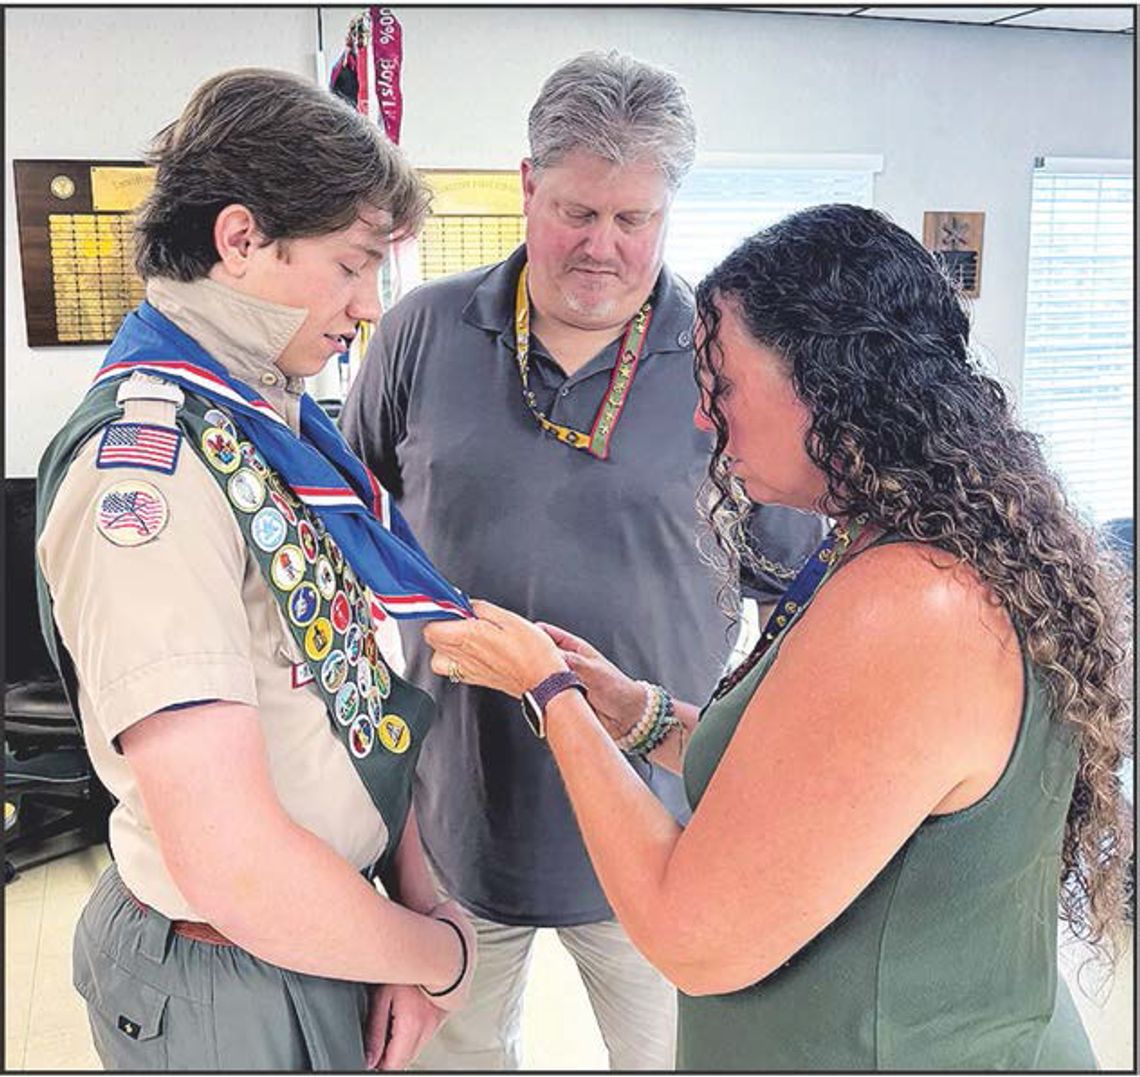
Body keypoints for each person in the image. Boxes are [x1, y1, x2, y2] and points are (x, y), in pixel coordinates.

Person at [422, 203, 1133, 1070]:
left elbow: (693, 936)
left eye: (722, 386)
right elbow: (811, 780)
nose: (700, 419)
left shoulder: (915, 605)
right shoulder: (898, 546)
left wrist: (550, 694)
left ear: (829, 386)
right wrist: (636, 714)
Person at [340, 49, 823, 1070]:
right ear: (527, 185)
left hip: (665, 829)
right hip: (457, 821)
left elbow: (801, 587)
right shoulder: (422, 331)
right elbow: (357, 521)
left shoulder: (727, 358)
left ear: (668, 213)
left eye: (634, 219)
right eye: (577, 211)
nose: (603, 246)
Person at [35, 68, 477, 1071]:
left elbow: (353, 687)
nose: (369, 306)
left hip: (326, 930)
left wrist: (411, 902)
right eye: (352, 265)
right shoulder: (150, 473)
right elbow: (233, 862)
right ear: (240, 240)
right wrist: (443, 955)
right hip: (230, 969)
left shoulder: (269, 421)